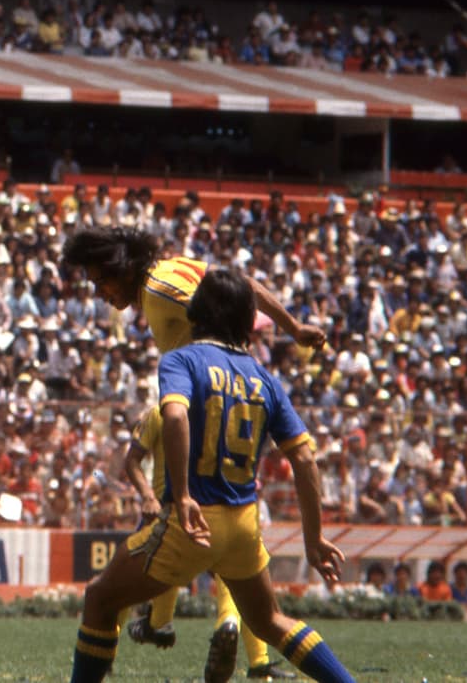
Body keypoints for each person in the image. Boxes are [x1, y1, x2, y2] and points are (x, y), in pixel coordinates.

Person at [63, 226, 325, 677]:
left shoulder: (161, 290)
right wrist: (293, 327)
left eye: (99, 280)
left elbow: (231, 299)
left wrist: (245, 346)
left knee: (110, 588)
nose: (99, 292)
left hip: (199, 415)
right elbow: (239, 285)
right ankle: (217, 634)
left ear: (122, 268)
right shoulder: (174, 270)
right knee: (264, 608)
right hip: (231, 413)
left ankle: (159, 622)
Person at [123, 403, 293, 678]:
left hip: (173, 510)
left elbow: (131, 460)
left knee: (127, 576)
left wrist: (148, 496)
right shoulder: (224, 409)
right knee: (244, 583)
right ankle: (235, 632)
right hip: (226, 509)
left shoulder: (161, 412)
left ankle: (149, 628)